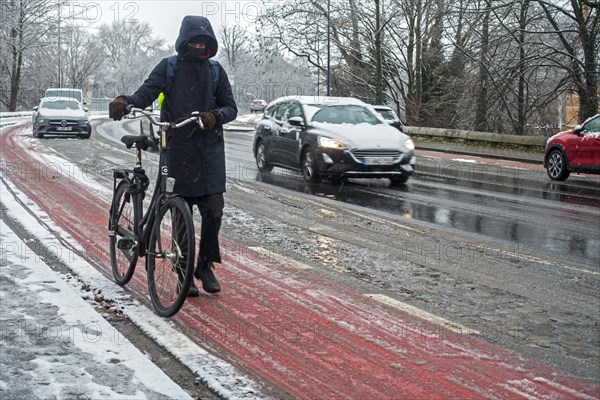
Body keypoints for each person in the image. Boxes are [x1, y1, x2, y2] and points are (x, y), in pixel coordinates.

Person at [108, 16, 237, 296]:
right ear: (184, 41)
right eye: (195, 41)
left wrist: (215, 117)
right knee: (181, 210)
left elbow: (231, 107)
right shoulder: (169, 67)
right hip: (178, 148)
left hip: (211, 153)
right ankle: (183, 271)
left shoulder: (216, 71)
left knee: (214, 209)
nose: (200, 46)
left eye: (204, 42)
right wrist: (126, 101)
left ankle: (204, 265)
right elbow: (146, 94)